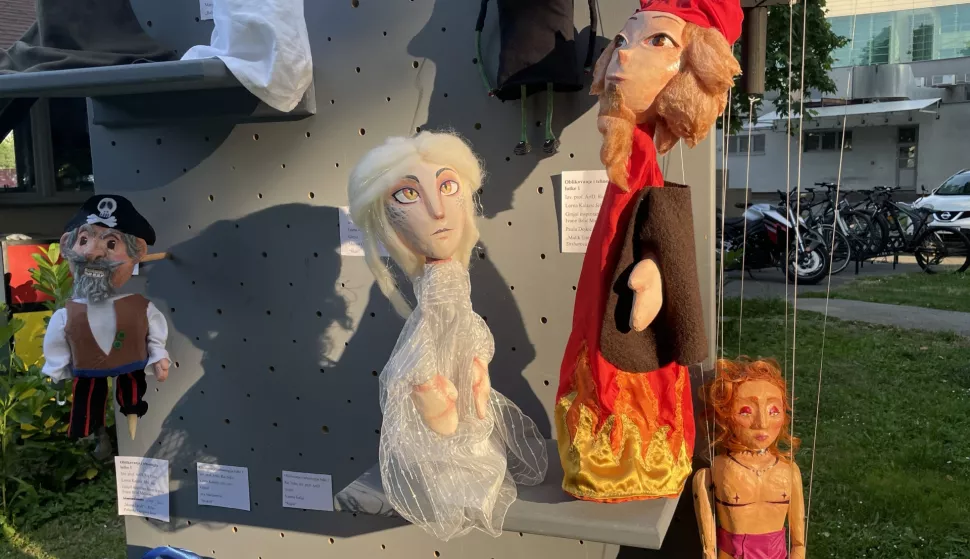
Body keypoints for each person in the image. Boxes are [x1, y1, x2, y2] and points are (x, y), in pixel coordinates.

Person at [554, 0, 743, 503]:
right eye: (623, 39)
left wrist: (654, 269)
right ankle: (608, 447)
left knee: (620, 355)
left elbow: (657, 232)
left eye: (658, 41)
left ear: (692, 71)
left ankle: (629, 452)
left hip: (625, 341)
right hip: (604, 313)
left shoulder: (644, 169)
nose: (622, 54)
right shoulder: (632, 161)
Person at [348, 130, 547, 541]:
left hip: (458, 345)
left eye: (448, 186)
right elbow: (432, 323)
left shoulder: (454, 271)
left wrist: (476, 360)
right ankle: (444, 426)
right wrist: (427, 383)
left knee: (469, 405)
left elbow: (460, 318)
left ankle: (456, 429)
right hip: (440, 359)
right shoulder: (432, 281)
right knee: (442, 403)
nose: (437, 210)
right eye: (408, 195)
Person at [41, 194, 170, 441]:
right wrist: (56, 368)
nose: (93, 253)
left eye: (111, 244)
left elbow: (154, 333)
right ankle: (93, 433)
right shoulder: (65, 315)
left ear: (137, 253)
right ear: (67, 245)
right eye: (84, 240)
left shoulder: (140, 307)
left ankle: (130, 413)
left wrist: (158, 354)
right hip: (87, 369)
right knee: (86, 400)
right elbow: (56, 343)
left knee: (132, 391)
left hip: (130, 365)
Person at [693, 357, 806, 559]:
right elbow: (708, 549)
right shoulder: (712, 473)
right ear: (726, 414)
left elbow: (799, 544)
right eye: (746, 411)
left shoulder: (789, 471)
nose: (762, 423)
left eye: (773, 410)